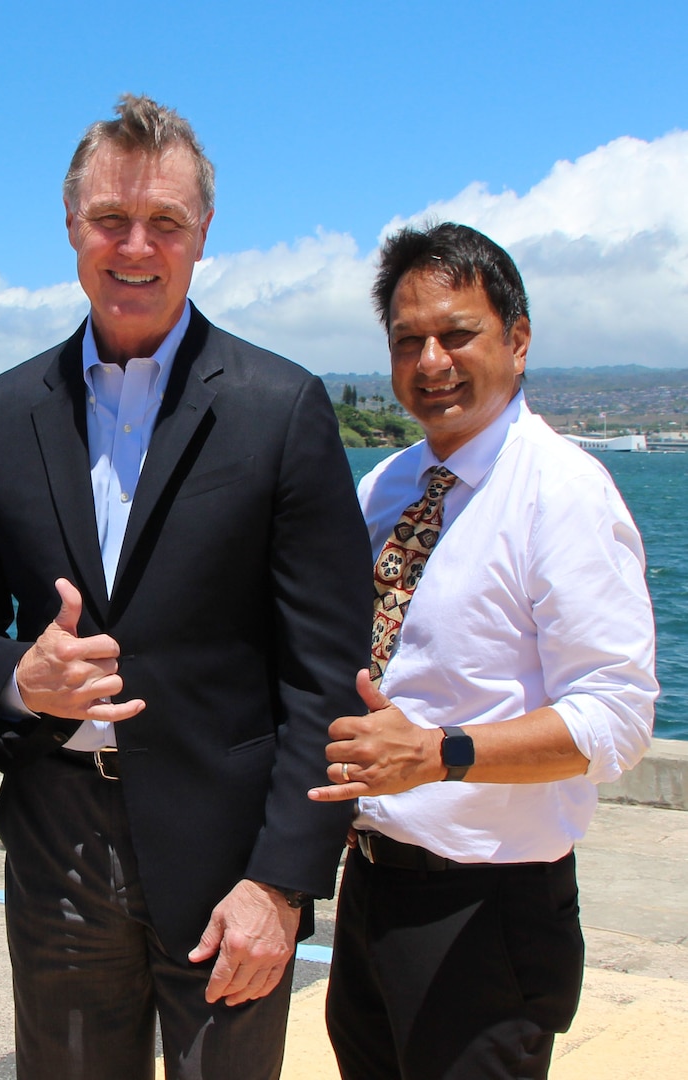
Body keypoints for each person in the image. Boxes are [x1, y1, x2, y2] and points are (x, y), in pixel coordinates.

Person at [0, 94, 372, 1079]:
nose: (136, 246)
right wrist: (16, 676)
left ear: (203, 234)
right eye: (110, 220)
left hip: (229, 852)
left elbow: (328, 675)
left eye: (164, 221)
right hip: (57, 845)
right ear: (71, 229)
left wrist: (283, 882)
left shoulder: (279, 408)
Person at [309, 222, 657, 1079]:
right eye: (407, 341)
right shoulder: (386, 488)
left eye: (457, 334)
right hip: (371, 885)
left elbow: (616, 719)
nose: (432, 362)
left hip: (487, 911)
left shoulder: (563, 493)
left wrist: (438, 755)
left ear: (518, 338)